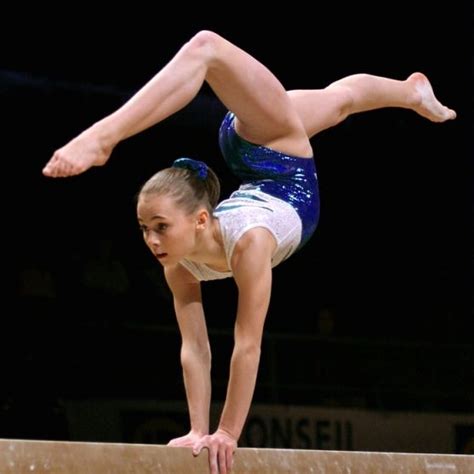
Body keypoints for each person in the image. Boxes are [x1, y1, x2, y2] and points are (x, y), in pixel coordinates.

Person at [42, 31, 456, 474]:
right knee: (341, 100)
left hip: (266, 149)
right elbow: (196, 347)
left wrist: (229, 432)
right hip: (270, 159)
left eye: (161, 227)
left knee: (206, 47)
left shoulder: (248, 242)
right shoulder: (186, 265)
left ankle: (104, 136)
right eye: (145, 229)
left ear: (201, 219)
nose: (152, 241)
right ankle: (410, 91)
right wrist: (199, 431)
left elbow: (247, 345)